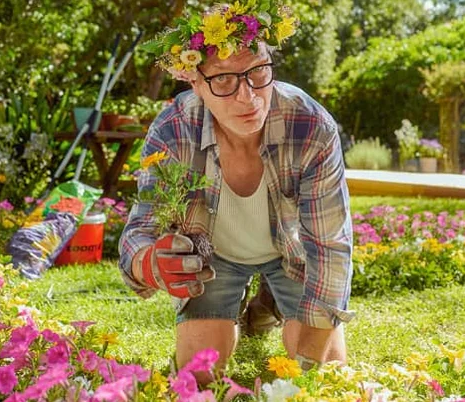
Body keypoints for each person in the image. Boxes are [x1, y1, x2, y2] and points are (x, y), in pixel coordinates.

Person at [117, 2, 355, 380]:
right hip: (214, 260)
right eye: (224, 80)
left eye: (258, 72)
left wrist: (306, 374)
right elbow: (138, 232)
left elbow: (331, 249)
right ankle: (244, 299)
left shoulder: (310, 125)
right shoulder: (173, 130)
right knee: (198, 373)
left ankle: (267, 304)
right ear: (195, 82)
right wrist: (152, 264)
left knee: (326, 369)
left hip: (292, 255)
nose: (248, 96)